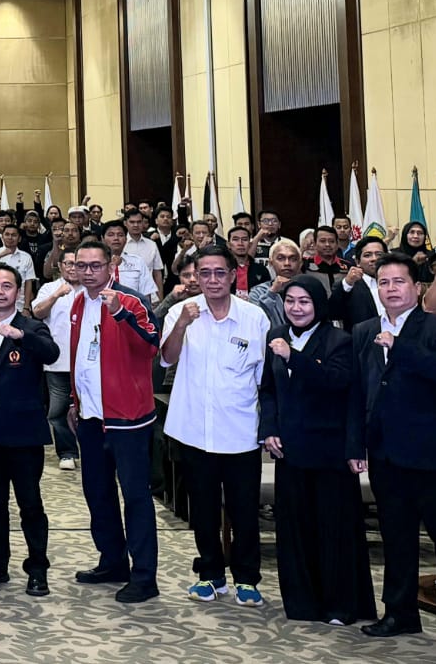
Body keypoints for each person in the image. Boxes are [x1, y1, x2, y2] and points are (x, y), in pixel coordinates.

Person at [348, 253, 436, 655]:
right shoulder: (365, 330)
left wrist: (400, 348)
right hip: (386, 456)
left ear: (416, 287)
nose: (391, 289)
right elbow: (358, 391)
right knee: (396, 539)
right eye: (383, 282)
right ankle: (399, 613)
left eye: (399, 281)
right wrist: (356, 445)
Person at [258, 275, 377, 625]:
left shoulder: (339, 340)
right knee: (295, 529)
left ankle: (340, 605)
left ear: (318, 304)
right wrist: (269, 429)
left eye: (304, 301)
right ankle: (303, 604)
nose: (296, 308)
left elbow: (337, 383)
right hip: (290, 449)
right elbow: (268, 389)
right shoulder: (275, 335)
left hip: (329, 451)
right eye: (290, 301)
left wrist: (293, 357)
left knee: (333, 529)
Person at [158, 246, 270, 606]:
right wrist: (181, 324)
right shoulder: (180, 312)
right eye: (203, 273)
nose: (211, 280)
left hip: (241, 431)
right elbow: (166, 358)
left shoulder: (254, 317)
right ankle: (210, 574)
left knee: (244, 510)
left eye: (219, 272)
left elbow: (265, 377)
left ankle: (247, 578)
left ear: (233, 275)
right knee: (203, 510)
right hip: (194, 430)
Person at [68, 239, 161, 603]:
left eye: (95, 265)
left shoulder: (130, 300)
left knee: (135, 496)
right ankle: (112, 561)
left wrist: (121, 313)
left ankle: (145, 576)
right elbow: (81, 358)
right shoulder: (78, 302)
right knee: (98, 492)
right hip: (90, 416)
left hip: (127, 418)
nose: (88, 272)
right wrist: (75, 401)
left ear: (110, 267)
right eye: (82, 265)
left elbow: (150, 347)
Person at [0, 264, 60, 595]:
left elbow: (52, 354)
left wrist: (23, 337)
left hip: (23, 433)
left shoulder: (32, 327)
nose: (0, 291)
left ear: (18, 292)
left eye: (7, 286)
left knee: (30, 503)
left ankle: (38, 568)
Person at [33, 249, 82, 469]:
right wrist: (56, 296)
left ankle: (91, 450)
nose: (72, 268)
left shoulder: (92, 288)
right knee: (58, 411)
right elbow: (37, 313)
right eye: (68, 263)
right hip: (57, 361)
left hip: (88, 363)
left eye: (77, 263)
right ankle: (67, 452)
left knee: (90, 410)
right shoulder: (49, 288)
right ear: (60, 266)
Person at [331, 236, 387, 331]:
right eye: (367, 255)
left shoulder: (396, 284)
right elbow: (334, 313)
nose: (374, 259)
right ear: (357, 262)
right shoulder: (348, 287)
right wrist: (347, 284)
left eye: (379, 254)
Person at [249, 239, 304, 329]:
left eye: (293, 259)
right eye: (280, 258)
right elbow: (255, 321)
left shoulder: (309, 289)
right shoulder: (258, 292)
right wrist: (272, 293)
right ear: (271, 263)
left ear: (300, 263)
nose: (287, 263)